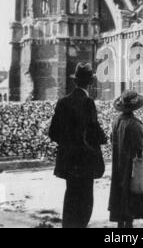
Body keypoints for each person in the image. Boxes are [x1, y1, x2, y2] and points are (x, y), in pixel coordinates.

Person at [49, 62, 107, 228]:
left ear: (75, 81)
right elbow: (94, 132)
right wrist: (103, 138)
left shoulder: (63, 102)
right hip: (85, 162)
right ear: (90, 82)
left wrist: (68, 145)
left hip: (68, 162)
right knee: (84, 203)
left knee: (71, 199)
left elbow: (53, 133)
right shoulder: (88, 102)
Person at [109, 90, 143, 228]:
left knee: (119, 193)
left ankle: (120, 224)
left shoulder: (116, 121)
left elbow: (112, 140)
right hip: (131, 165)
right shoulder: (134, 124)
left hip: (118, 164)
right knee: (131, 194)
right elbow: (139, 146)